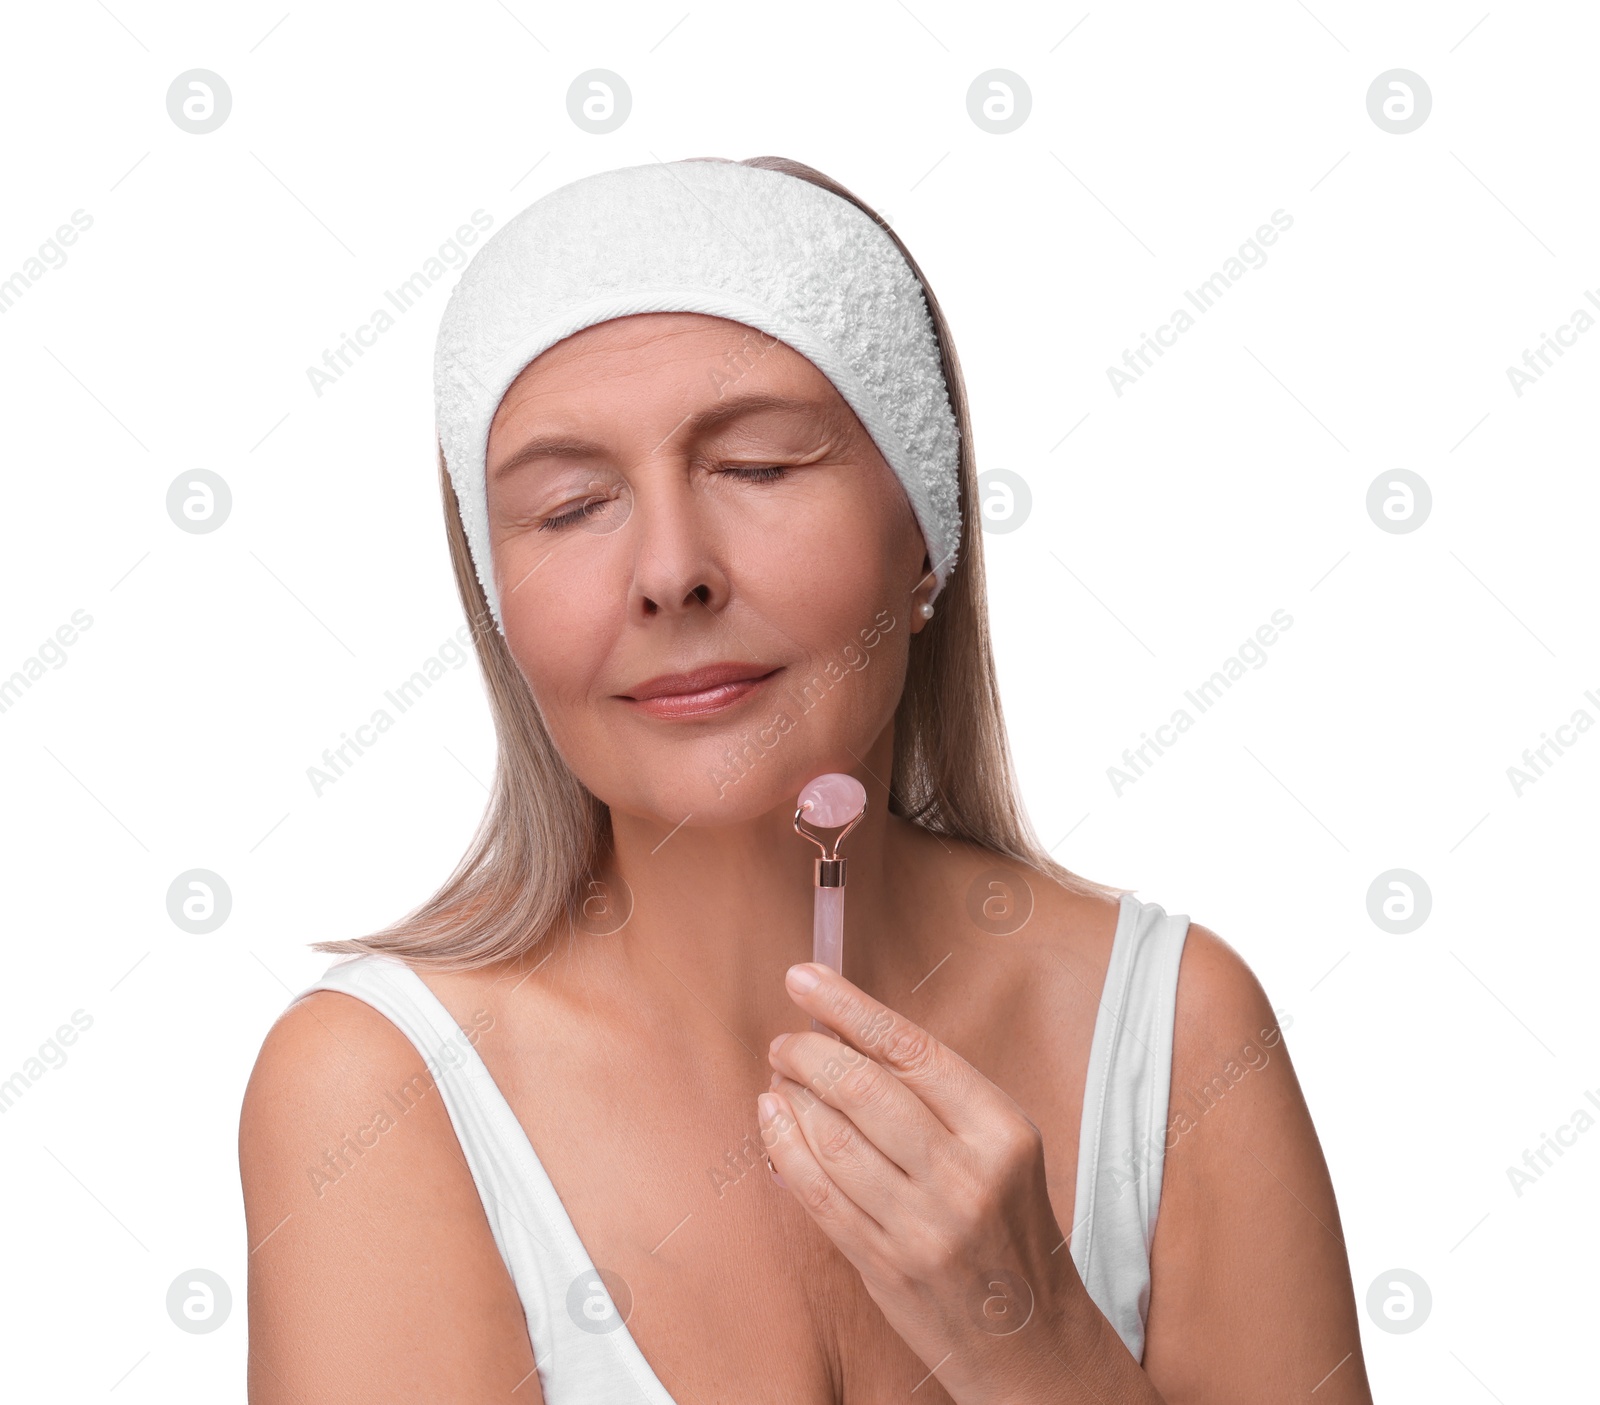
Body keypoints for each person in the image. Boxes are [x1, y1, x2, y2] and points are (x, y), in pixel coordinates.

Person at [238, 155, 1373, 1404]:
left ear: (925, 536)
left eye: (761, 466)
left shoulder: (1176, 1031)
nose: (671, 570)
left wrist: (1033, 1341)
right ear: (501, 608)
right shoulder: (375, 1090)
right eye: (569, 508)